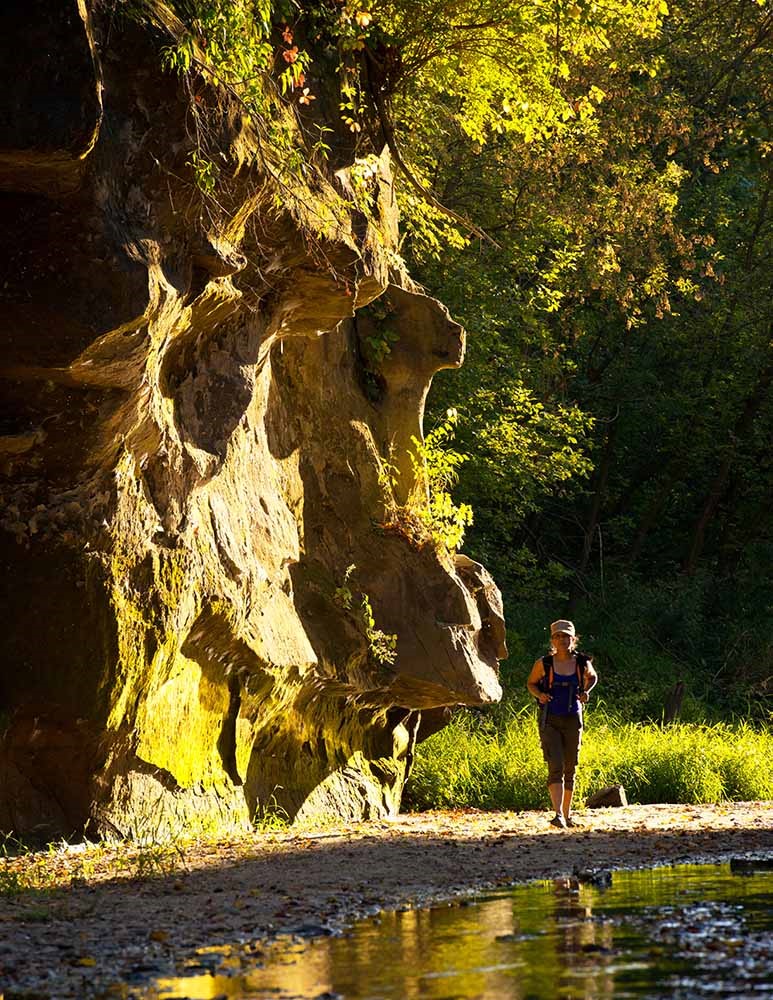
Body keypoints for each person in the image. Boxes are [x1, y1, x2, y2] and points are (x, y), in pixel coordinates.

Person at [526, 619, 598, 829]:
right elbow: (530, 683)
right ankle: (557, 814)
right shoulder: (544, 664)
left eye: (566, 636)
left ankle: (567, 815)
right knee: (555, 765)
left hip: (573, 719)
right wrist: (539, 695)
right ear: (552, 640)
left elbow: (592, 677)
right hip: (550, 720)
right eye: (558, 636)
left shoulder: (582, 663)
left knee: (570, 766)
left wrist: (586, 692)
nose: (562, 640)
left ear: (573, 639)